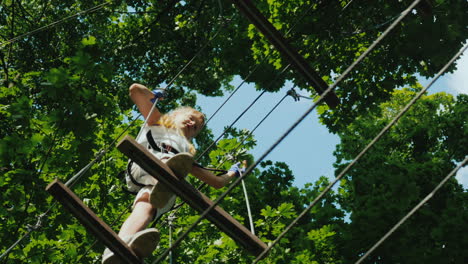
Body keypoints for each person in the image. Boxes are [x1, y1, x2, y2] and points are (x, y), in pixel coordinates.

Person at [102, 83, 243, 263]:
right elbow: (134, 90)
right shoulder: (158, 120)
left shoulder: (187, 152)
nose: (193, 124)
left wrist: (233, 173)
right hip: (144, 166)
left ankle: (119, 247)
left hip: (160, 183)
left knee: (146, 206)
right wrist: (151, 95)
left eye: (197, 127)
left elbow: (216, 182)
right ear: (175, 115)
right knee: (170, 165)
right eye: (191, 118)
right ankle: (166, 178)